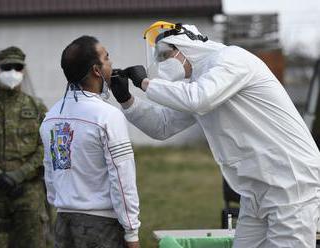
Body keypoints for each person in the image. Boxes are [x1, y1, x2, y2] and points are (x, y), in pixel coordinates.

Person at [110, 21, 320, 248]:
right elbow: (163, 125)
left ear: (186, 46)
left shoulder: (231, 59)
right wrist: (128, 101)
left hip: (290, 182)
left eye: (165, 55)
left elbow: (198, 98)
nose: (161, 63)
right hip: (257, 191)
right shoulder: (199, 82)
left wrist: (145, 83)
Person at [39, 35, 140, 248]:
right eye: (107, 58)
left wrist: (64, 204)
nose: (111, 63)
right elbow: (122, 178)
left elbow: (50, 174)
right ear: (96, 70)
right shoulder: (107, 116)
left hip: (63, 223)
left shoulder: (51, 117)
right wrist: (132, 232)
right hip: (101, 226)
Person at [0, 46, 48, 247]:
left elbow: (46, 147)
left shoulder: (36, 107)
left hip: (29, 195)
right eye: (7, 67)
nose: (12, 72)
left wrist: (19, 175)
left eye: (17, 67)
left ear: (23, 70)